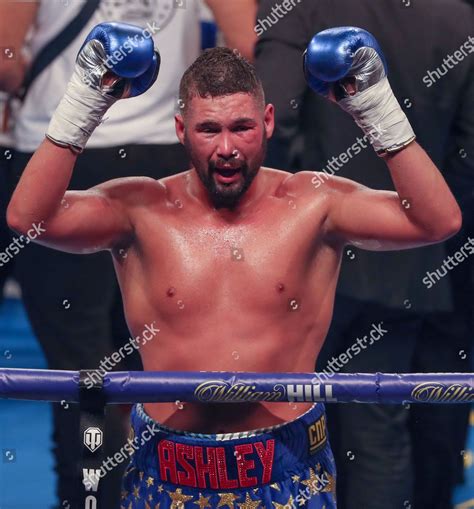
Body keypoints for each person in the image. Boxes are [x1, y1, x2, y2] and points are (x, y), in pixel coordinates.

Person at [7, 22, 461, 508]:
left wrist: (376, 107)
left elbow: (437, 221)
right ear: (182, 129)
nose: (227, 148)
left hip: (287, 470)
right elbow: (28, 218)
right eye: (209, 129)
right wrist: (84, 103)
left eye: (241, 127)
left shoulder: (313, 204)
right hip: (166, 470)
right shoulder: (141, 209)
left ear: (267, 121)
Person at [254, 1, 474, 507]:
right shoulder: (455, 17)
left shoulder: (301, 9)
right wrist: (411, 229)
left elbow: (270, 121)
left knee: (281, 427)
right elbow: (467, 158)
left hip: (301, 265)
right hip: (406, 268)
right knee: (378, 433)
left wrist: (277, 224)